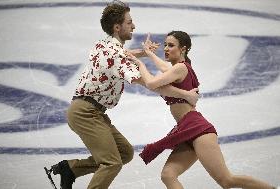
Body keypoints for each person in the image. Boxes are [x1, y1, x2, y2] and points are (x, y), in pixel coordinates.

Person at [43, 1, 199, 189]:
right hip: (85, 113)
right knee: (111, 162)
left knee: (124, 153)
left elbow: (123, 53)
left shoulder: (104, 45)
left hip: (94, 112)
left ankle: (70, 169)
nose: (134, 26)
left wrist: (145, 52)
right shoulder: (116, 57)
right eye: (129, 22)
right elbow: (151, 84)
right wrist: (186, 95)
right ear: (117, 27)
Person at [126, 30, 278, 189]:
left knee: (226, 180)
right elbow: (164, 67)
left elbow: (151, 83)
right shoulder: (179, 68)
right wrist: (150, 54)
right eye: (165, 45)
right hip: (186, 129)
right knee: (168, 175)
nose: (165, 48)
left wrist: (141, 64)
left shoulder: (180, 68)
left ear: (183, 49)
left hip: (197, 129)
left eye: (171, 45)